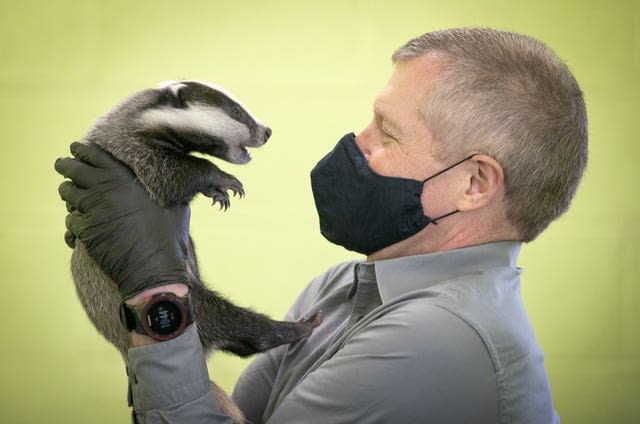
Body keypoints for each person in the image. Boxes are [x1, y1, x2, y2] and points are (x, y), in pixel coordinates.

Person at [55, 27, 587, 423]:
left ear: (474, 183)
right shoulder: (342, 287)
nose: (357, 142)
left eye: (388, 132)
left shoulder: (438, 340)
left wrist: (155, 295)